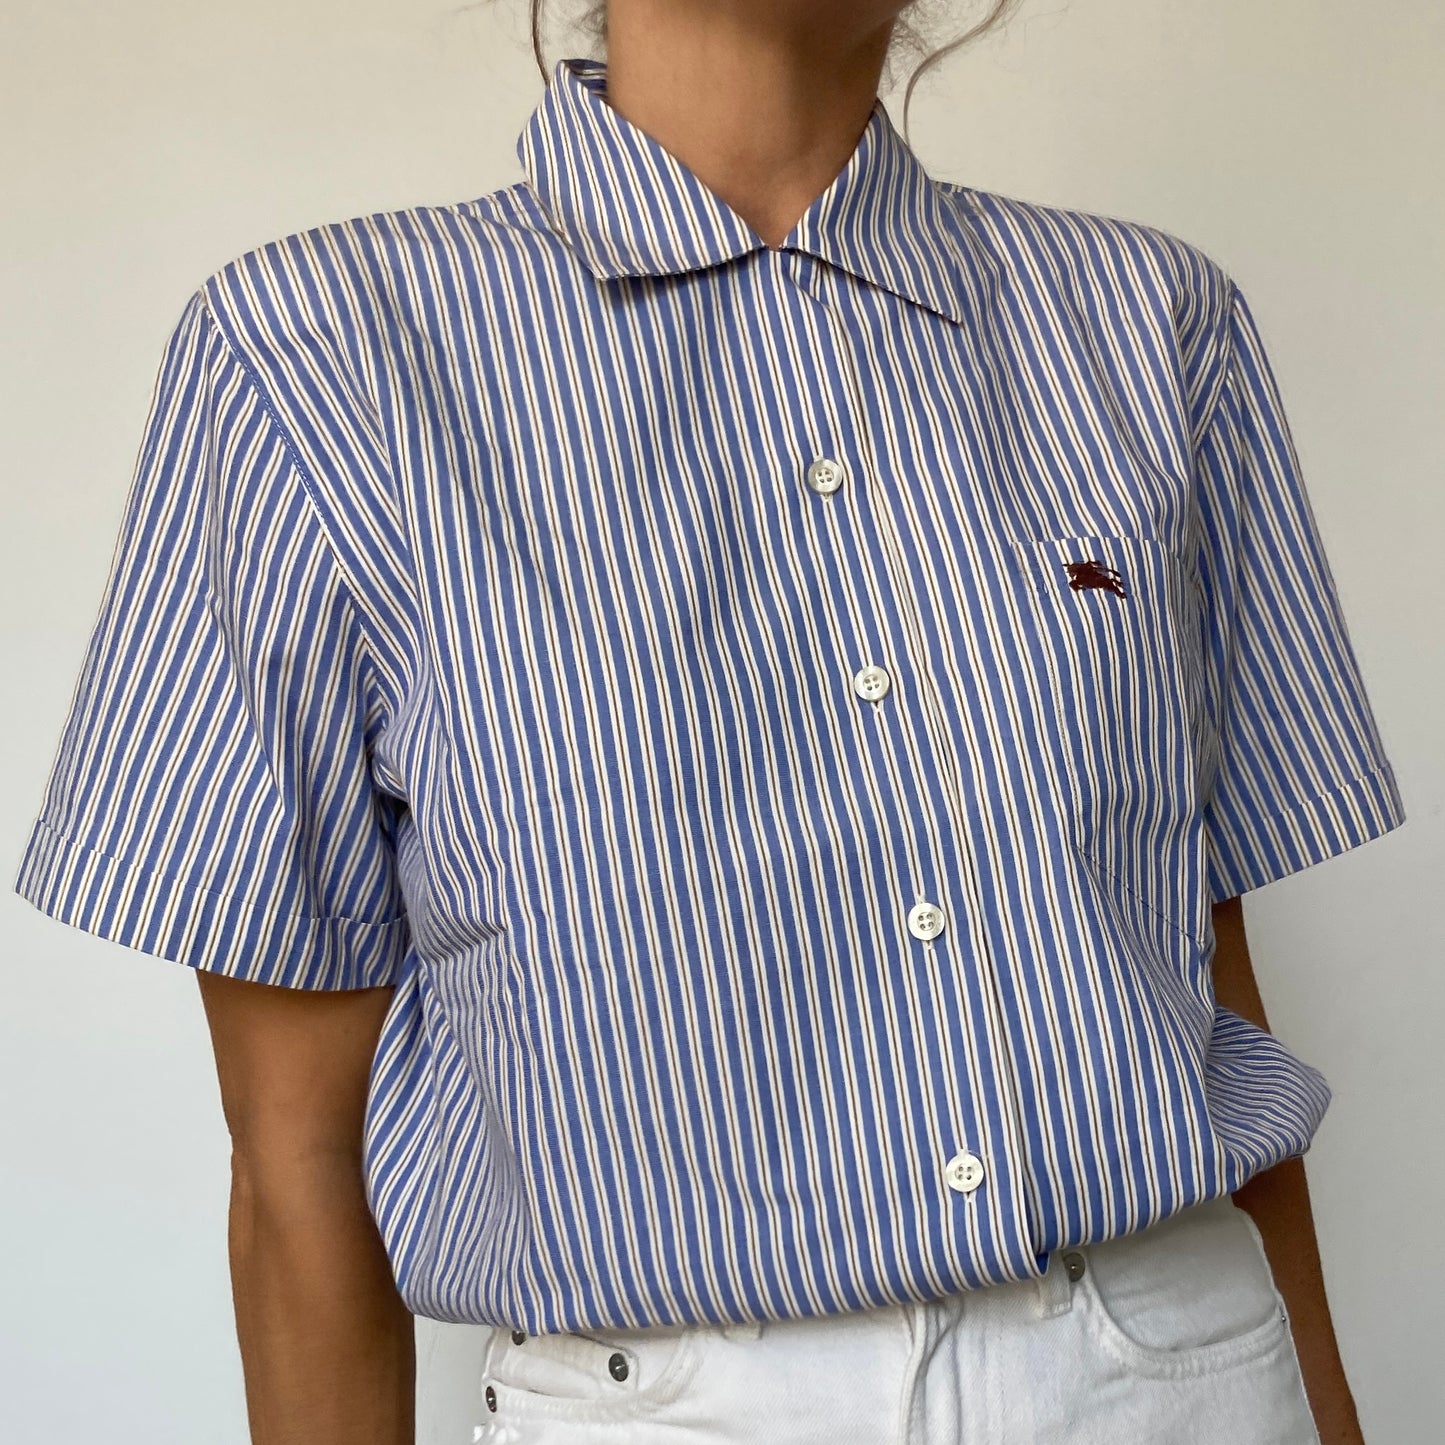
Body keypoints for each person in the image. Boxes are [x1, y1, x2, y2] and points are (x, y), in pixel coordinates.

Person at [12, 1, 1407, 1442]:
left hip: (1181, 1370)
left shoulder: (1151, 324)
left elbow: (1208, 986)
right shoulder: (311, 363)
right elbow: (295, 1167)